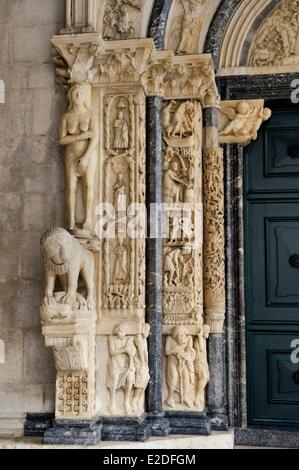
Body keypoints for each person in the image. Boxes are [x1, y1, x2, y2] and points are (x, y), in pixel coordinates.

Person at [59, 83, 97, 234]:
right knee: (71, 187)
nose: (77, 96)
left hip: (87, 155)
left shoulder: (90, 115)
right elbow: (61, 140)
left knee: (88, 185)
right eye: (74, 93)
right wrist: (80, 136)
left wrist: (86, 157)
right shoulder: (66, 117)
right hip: (70, 155)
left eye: (80, 93)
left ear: (85, 97)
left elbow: (95, 138)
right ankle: (71, 219)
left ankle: (88, 218)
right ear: (70, 97)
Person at [107, 323, 136, 414]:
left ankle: (126, 402)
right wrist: (124, 350)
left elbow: (133, 352)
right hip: (115, 364)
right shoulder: (112, 338)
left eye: (122, 331)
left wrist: (130, 351)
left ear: (125, 332)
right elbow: (112, 352)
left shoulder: (129, 340)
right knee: (114, 382)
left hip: (126, 365)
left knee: (130, 379)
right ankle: (112, 402)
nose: (120, 333)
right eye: (119, 331)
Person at [165, 326, 195, 408]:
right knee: (173, 377)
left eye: (183, 335)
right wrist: (175, 351)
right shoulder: (170, 338)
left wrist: (184, 355)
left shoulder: (189, 338)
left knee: (186, 376)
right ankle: (170, 397)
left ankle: (185, 396)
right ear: (176, 335)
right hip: (172, 360)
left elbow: (189, 350)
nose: (181, 337)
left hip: (183, 360)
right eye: (179, 335)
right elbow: (167, 351)